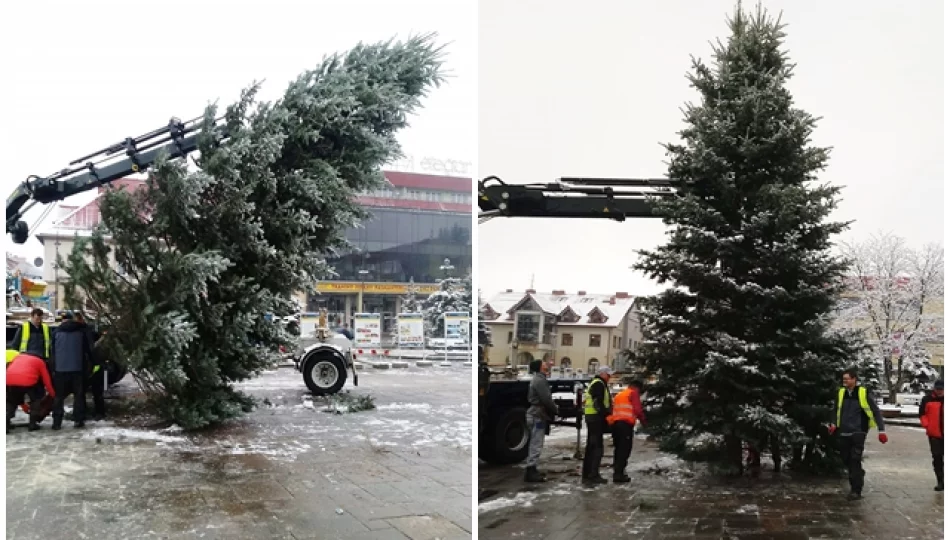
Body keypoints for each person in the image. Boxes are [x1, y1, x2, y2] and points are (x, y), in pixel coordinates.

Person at [828, 368, 887, 500]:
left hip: (859, 431)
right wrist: (833, 423)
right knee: (846, 458)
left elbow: (876, 411)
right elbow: (835, 409)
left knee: (855, 459)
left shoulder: (863, 393)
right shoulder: (841, 393)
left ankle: (856, 490)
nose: (845, 381)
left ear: (854, 379)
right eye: (843, 379)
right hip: (843, 431)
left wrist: (881, 430)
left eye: (847, 378)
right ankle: (859, 474)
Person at [51, 311, 95, 430]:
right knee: (79, 396)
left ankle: (56, 422)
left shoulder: (56, 332)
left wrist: (53, 368)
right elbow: (88, 350)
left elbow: (52, 353)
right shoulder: (81, 332)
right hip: (77, 369)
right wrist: (91, 364)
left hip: (60, 370)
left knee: (58, 397)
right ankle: (78, 420)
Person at [607, 378, 647, 483]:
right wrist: (644, 422)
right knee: (624, 450)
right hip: (625, 425)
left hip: (615, 425)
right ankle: (619, 475)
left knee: (618, 449)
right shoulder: (633, 393)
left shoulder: (620, 394)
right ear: (637, 387)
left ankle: (617, 472)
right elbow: (638, 410)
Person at [525, 359, 558, 482]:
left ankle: (532, 469)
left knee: (535, 442)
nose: (547, 364)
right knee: (536, 443)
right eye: (544, 363)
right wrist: (555, 410)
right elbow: (546, 399)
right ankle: (531, 471)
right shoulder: (539, 380)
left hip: (535, 414)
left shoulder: (539, 379)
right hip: (537, 415)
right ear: (539, 367)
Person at [6, 352, 55, 432]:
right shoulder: (40, 361)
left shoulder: (18, 357)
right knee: (36, 398)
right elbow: (46, 380)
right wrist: (53, 394)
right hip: (28, 381)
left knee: (11, 401)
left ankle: (5, 422)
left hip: (9, 379)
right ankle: (32, 423)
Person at [581, 365, 614, 485]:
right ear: (603, 374)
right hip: (596, 418)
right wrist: (606, 416)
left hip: (592, 417)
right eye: (608, 375)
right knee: (597, 447)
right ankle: (593, 474)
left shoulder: (595, 382)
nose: (610, 377)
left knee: (591, 446)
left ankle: (588, 473)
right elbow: (598, 402)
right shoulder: (599, 384)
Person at [74, 311, 106, 421]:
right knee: (82, 392)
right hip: (86, 365)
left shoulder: (86, 331)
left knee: (93, 391)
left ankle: (97, 412)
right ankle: (93, 412)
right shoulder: (87, 331)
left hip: (90, 365)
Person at [919, 379, 944, 491]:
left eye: (942, 389)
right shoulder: (927, 399)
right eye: (938, 389)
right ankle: (940, 481)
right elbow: (922, 414)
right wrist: (927, 425)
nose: (940, 391)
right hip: (934, 434)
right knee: (937, 457)